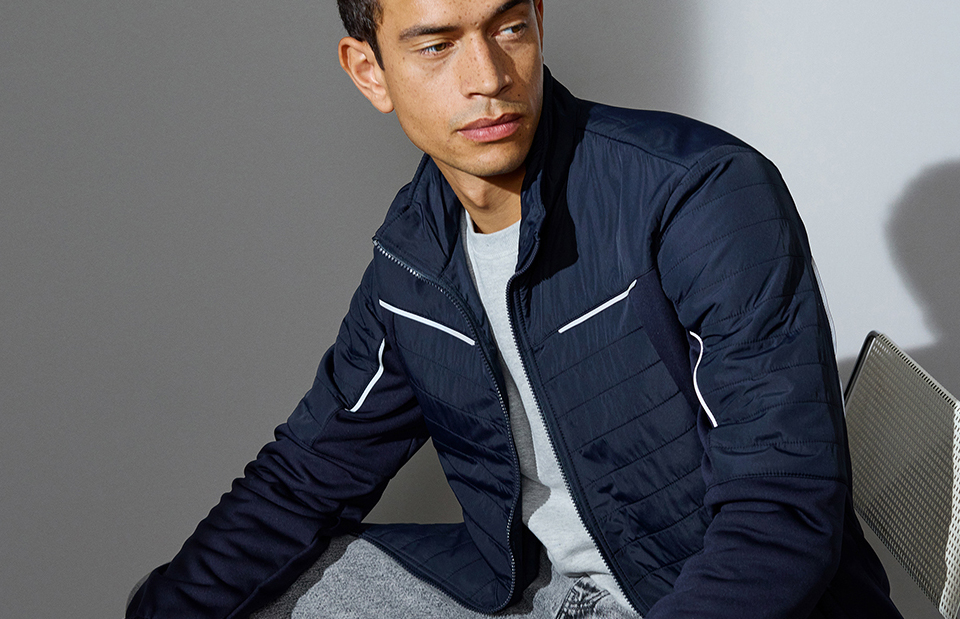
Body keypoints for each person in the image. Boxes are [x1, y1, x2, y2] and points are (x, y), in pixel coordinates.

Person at [126, 1, 904, 617]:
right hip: (542, 595)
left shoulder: (697, 193)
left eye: (508, 28)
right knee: (264, 592)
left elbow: (780, 509)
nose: (488, 76)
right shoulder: (416, 255)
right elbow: (304, 476)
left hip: (708, 601)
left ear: (537, 20)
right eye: (437, 45)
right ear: (370, 70)